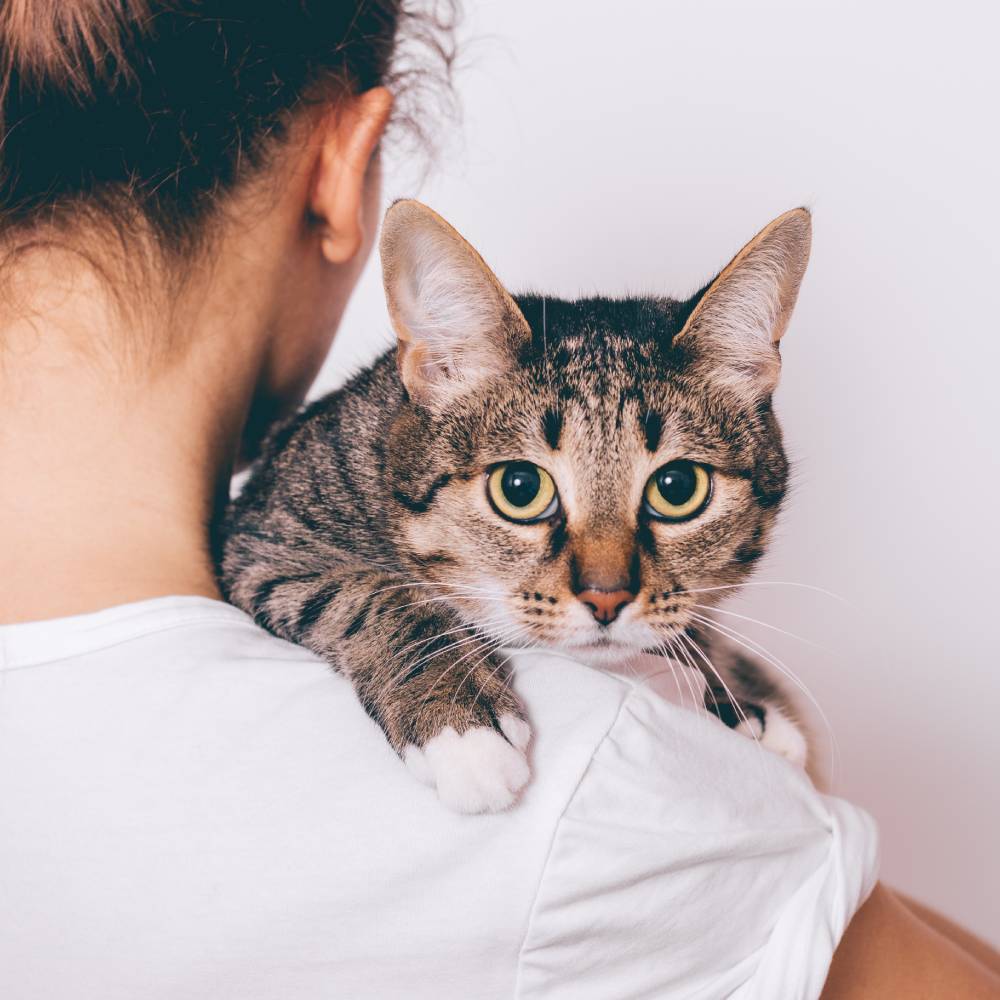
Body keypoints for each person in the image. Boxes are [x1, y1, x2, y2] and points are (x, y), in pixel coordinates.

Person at [0, 2, 996, 997]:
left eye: (676, 488)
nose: (604, 584)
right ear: (342, 170)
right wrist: (776, 833)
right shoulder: (601, 779)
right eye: (523, 489)